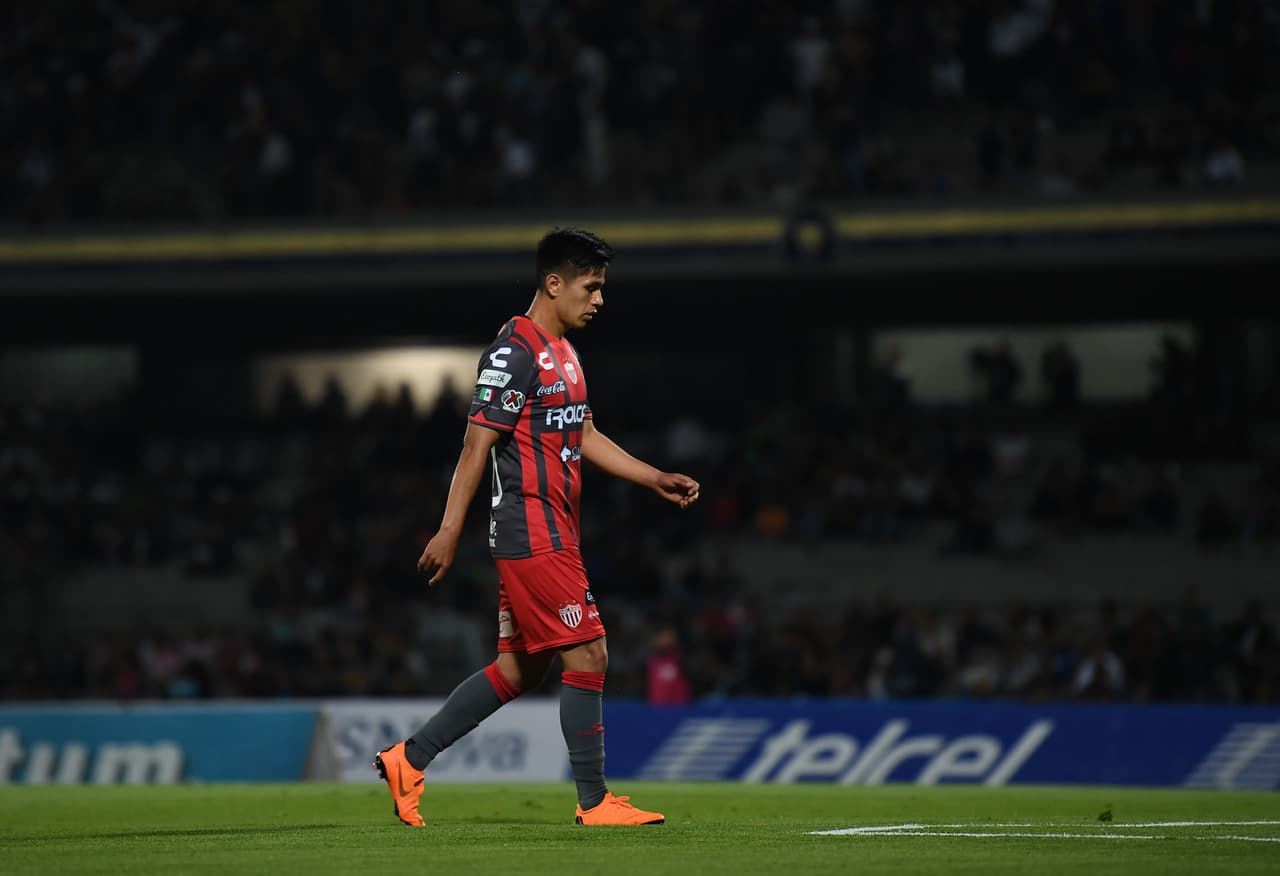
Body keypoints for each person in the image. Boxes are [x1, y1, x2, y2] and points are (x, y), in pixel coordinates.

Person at [374, 228, 700, 827]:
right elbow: (476, 445)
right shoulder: (514, 352)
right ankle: (595, 801)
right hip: (533, 533)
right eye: (591, 286)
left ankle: (408, 758)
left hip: (552, 532)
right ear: (554, 283)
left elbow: (586, 434)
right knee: (590, 653)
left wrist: (652, 477)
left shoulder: (567, 353)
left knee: (520, 669)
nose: (599, 299)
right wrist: (448, 530)